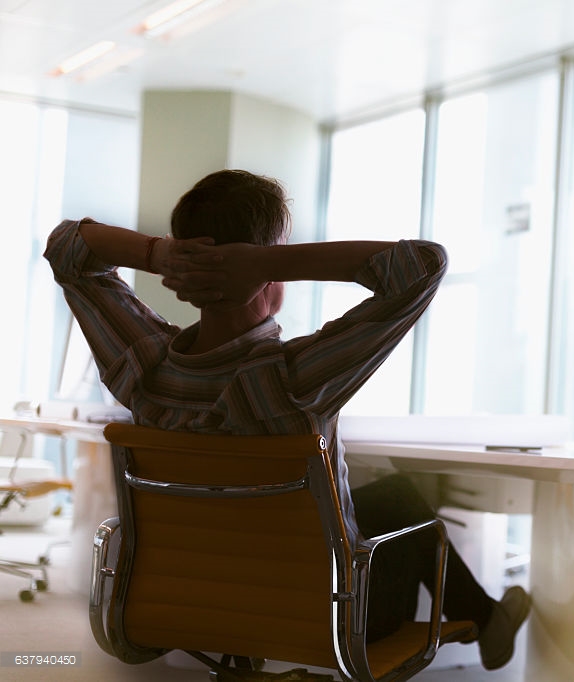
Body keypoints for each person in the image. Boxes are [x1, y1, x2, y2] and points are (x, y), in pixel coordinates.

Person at [44, 169, 529, 671]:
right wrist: (269, 261)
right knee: (403, 504)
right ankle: (487, 617)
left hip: (185, 602)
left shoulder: (144, 369)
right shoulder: (294, 382)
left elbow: (67, 247)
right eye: (276, 254)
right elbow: (424, 264)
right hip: (320, 618)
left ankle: (489, 617)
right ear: (264, 267)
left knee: (388, 497)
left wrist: (159, 255)